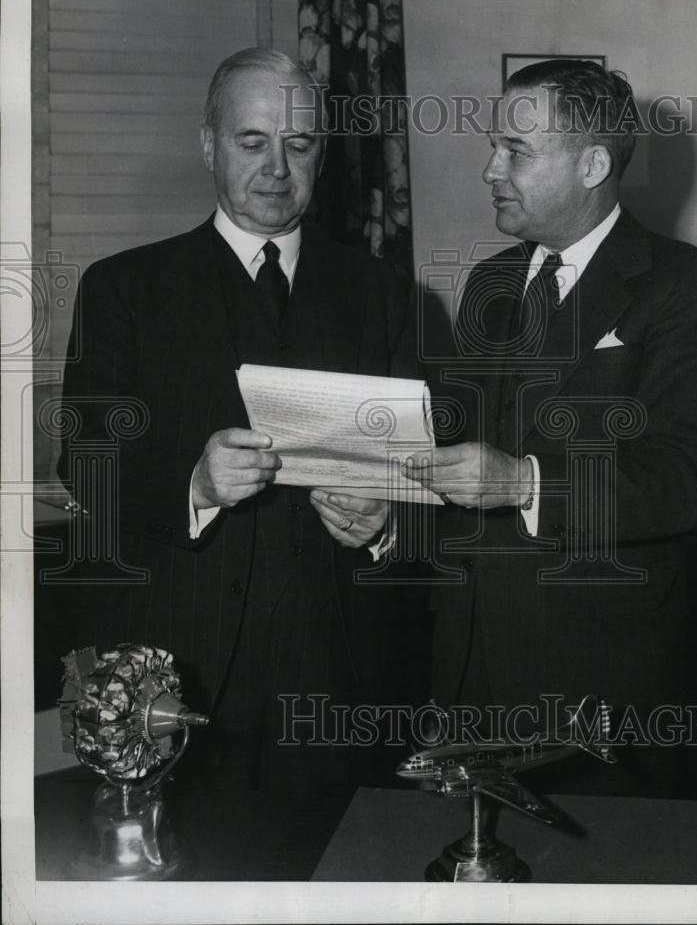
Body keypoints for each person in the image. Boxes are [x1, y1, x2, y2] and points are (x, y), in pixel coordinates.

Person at [57, 48, 424, 792]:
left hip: (338, 674)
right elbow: (86, 458)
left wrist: (387, 522)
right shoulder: (124, 287)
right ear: (208, 146)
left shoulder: (381, 292)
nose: (278, 169)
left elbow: (421, 474)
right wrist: (194, 480)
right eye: (252, 143)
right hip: (172, 672)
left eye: (300, 145)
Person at [405, 59, 697, 795]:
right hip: (467, 664)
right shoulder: (489, 282)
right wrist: (386, 518)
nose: (491, 168)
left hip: (600, 677)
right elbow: (458, 461)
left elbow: (688, 479)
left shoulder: (691, 287)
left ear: (592, 165)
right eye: (494, 146)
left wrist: (525, 483)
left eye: (516, 152)